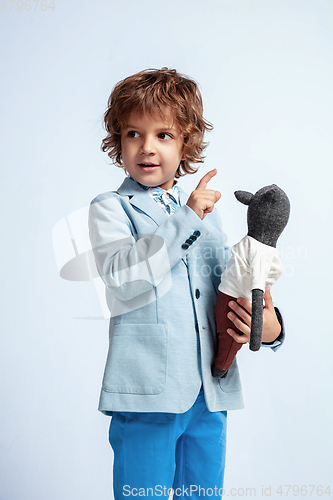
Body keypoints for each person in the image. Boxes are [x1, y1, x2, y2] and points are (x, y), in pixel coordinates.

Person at [88, 68, 284, 499]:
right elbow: (123, 279)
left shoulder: (204, 215)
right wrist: (187, 218)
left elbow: (228, 285)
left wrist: (271, 329)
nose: (147, 148)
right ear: (118, 141)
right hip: (147, 394)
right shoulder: (112, 208)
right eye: (134, 134)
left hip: (210, 394)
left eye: (164, 135)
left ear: (186, 144)